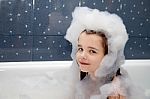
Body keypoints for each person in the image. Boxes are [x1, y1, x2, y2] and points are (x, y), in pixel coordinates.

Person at [65, 7, 146, 99]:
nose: (82, 55)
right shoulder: (80, 75)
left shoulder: (115, 91)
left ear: (108, 57)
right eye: (80, 49)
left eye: (92, 51)